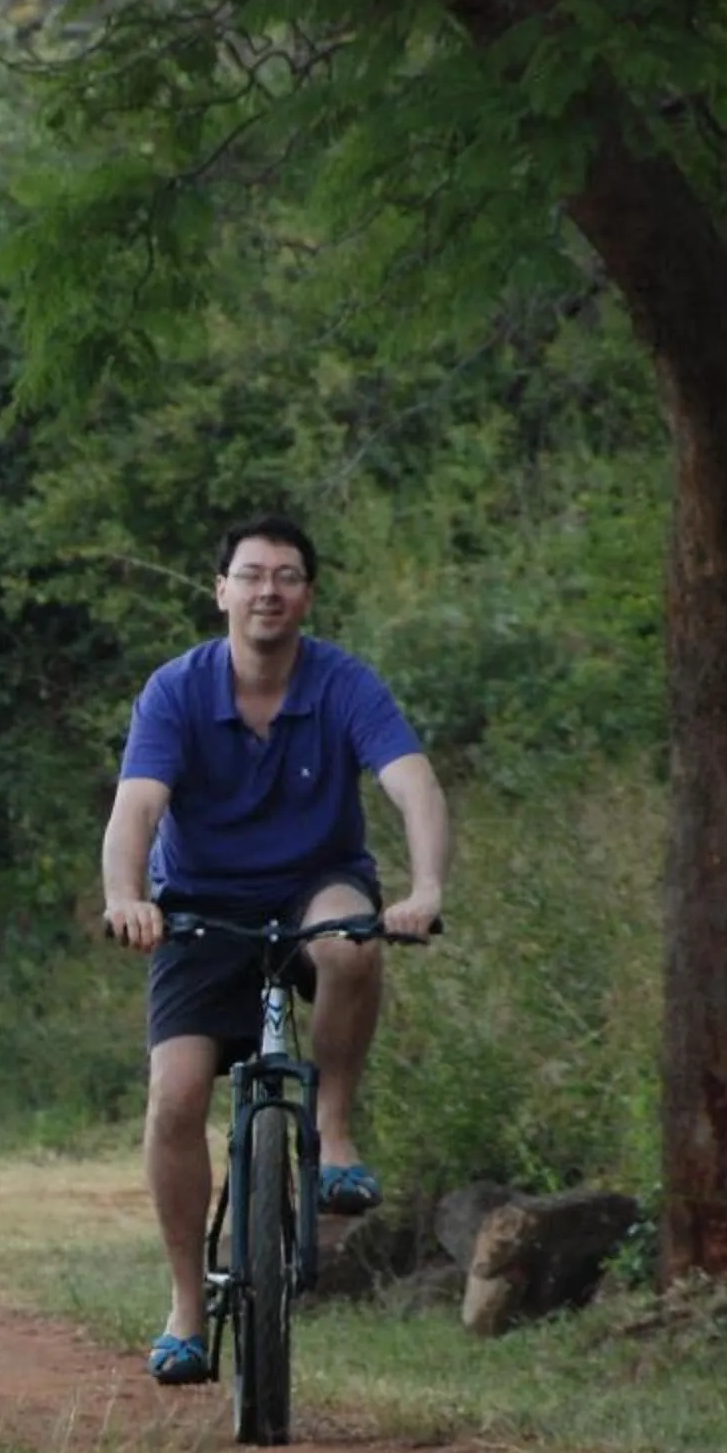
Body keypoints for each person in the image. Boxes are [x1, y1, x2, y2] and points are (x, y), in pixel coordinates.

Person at [98, 516, 449, 1387]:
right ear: (220, 590)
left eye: (287, 576)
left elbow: (412, 781)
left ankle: (332, 1131)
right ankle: (186, 1306)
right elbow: (136, 808)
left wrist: (427, 888)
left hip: (313, 883)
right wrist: (126, 896)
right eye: (251, 575)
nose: (268, 591)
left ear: (308, 596)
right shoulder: (177, 691)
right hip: (201, 907)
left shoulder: (343, 683)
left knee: (349, 945)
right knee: (175, 1099)